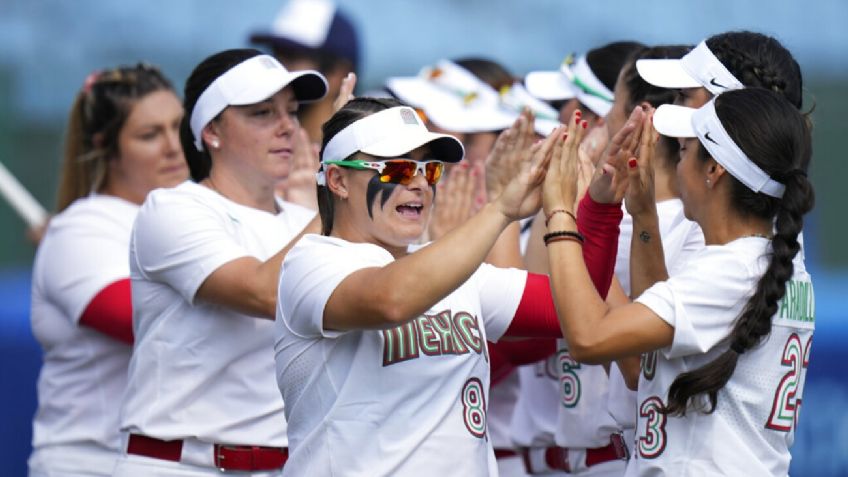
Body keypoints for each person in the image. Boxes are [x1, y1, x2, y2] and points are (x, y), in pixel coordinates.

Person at [274, 97, 605, 476]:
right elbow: (391, 300)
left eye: (428, 170)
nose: (418, 184)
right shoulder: (312, 261)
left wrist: (595, 205)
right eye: (397, 169)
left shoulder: (455, 269)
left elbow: (571, 308)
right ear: (338, 180)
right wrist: (500, 210)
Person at [543, 88, 814, 475]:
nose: (673, 160)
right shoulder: (769, 261)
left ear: (714, 170)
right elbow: (640, 366)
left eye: (685, 149)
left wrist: (560, 211)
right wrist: (643, 215)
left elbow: (588, 339)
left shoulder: (731, 271)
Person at [113, 49, 326, 476]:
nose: (287, 126)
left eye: (291, 111)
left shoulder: (310, 222)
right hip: (180, 465)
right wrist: (342, 197)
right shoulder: (172, 209)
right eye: (262, 113)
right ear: (211, 130)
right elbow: (266, 292)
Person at [29, 64, 188, 477]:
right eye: (150, 135)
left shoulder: (199, 221)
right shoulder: (81, 229)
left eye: (179, 127)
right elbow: (149, 325)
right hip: (89, 463)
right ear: (105, 146)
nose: (174, 146)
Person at [250, 0, 360, 144]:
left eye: (292, 57)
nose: (278, 67)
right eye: (276, 56)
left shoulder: (357, 156)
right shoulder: (261, 150)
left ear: (339, 74)